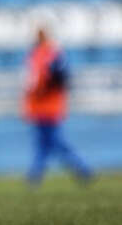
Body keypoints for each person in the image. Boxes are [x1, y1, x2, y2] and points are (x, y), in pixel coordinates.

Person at [23, 26, 91, 185]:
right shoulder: (35, 54)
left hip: (50, 106)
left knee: (53, 142)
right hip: (38, 107)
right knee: (44, 143)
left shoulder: (53, 54)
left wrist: (44, 88)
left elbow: (61, 78)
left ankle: (81, 167)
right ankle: (36, 174)